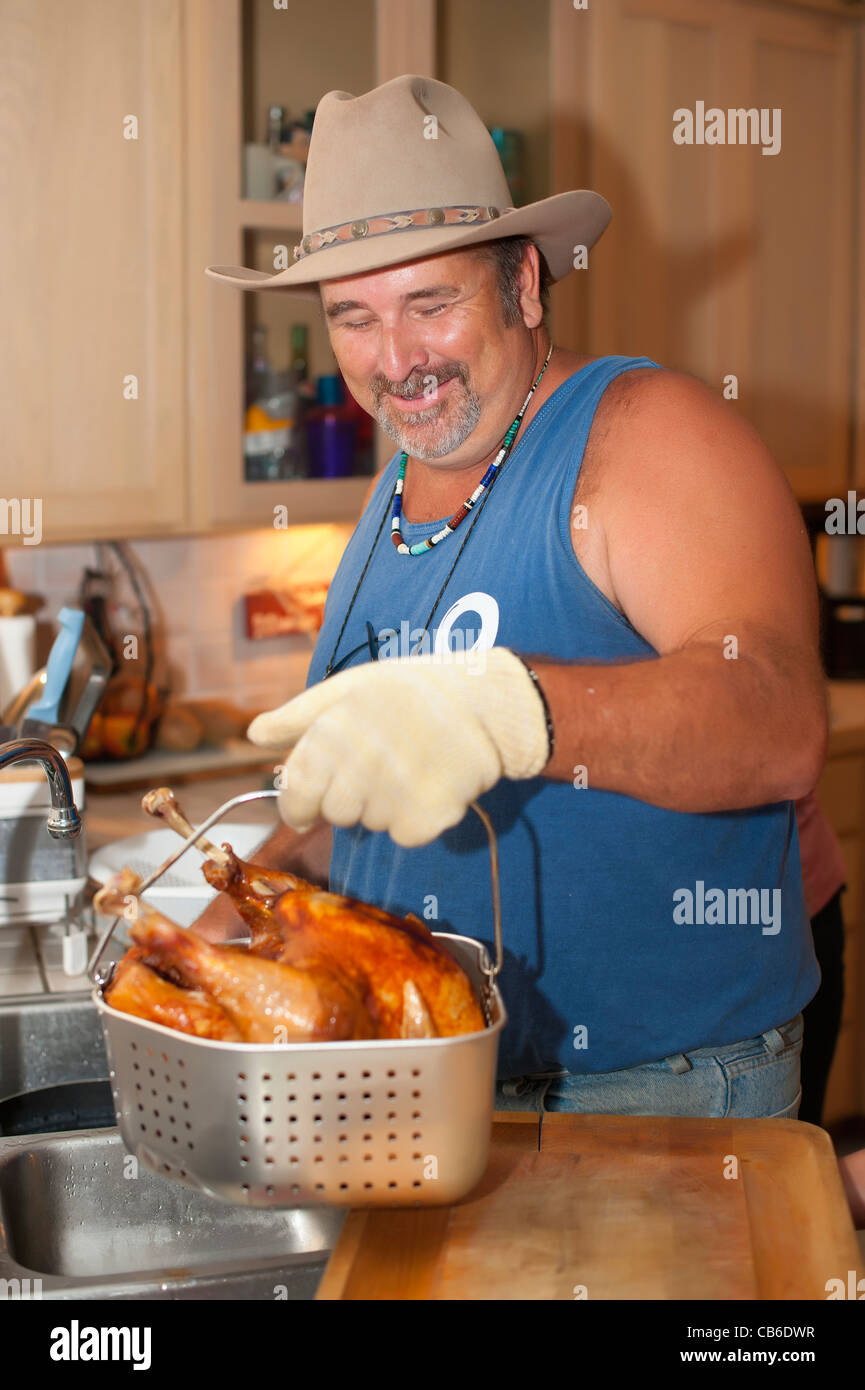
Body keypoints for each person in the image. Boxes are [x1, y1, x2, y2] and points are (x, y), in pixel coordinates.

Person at [203, 75, 827, 1119]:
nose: (394, 361)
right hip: (440, 1077)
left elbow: (776, 717)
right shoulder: (392, 492)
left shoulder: (648, 434)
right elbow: (367, 795)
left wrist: (511, 709)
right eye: (352, 317)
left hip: (647, 1094)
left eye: (429, 305)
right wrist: (240, 897)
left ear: (524, 285)